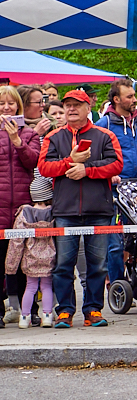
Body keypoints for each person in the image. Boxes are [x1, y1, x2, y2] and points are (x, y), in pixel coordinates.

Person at [39, 90, 123, 329]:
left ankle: (93, 310)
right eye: (68, 105)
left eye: (77, 105)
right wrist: (70, 161)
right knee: (63, 263)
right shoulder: (53, 137)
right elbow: (44, 167)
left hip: (99, 209)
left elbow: (117, 164)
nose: (71, 109)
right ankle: (64, 311)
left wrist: (87, 170)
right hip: (65, 210)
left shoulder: (105, 135)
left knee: (98, 263)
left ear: (89, 108)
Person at [0, 85, 42, 326]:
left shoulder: (29, 134)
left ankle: (29, 309)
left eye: (11, 103)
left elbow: (32, 162)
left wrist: (16, 139)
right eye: (2, 103)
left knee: (26, 262)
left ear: (18, 106)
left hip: (22, 207)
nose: (6, 107)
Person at [5, 171, 53, 329]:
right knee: (46, 286)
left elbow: (16, 241)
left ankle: (24, 317)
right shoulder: (53, 213)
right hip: (49, 257)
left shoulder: (24, 213)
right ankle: (47, 316)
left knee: (30, 287)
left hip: (30, 257)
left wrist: (11, 266)